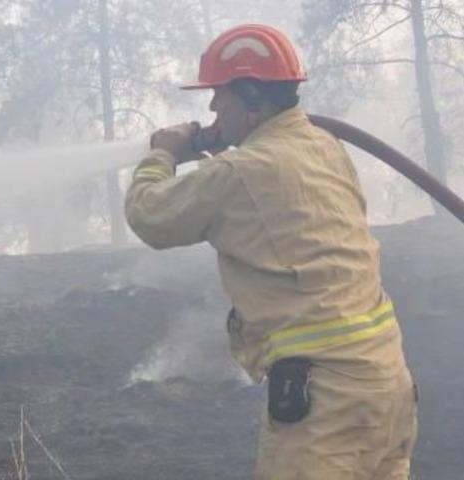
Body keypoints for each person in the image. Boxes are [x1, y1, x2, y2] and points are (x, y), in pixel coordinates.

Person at [125, 24, 417, 480]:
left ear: (252, 98)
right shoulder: (322, 145)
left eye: (220, 96)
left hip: (326, 408)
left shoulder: (241, 170)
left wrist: (161, 156)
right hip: (387, 388)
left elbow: (150, 216)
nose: (212, 107)